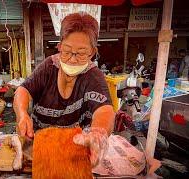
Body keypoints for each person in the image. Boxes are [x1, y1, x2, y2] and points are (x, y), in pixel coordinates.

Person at [13, 12, 115, 167]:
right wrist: (22, 114)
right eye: (67, 51)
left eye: (81, 53)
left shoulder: (94, 77)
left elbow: (105, 110)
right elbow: (23, 90)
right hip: (38, 143)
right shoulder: (49, 67)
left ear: (92, 52)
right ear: (59, 46)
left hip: (73, 148)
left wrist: (98, 133)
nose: (73, 59)